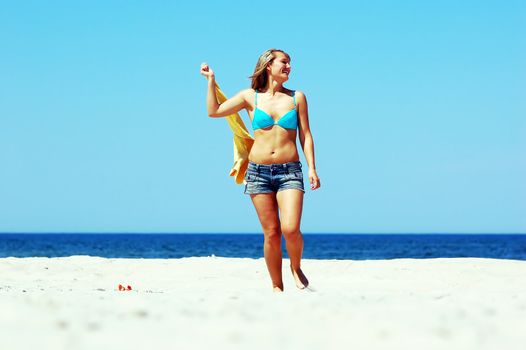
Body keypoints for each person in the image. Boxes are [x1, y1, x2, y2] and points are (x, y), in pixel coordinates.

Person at [200, 49, 320, 292]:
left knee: (290, 228)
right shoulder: (250, 97)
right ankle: (277, 286)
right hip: (259, 173)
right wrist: (211, 81)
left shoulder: (297, 97)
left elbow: (306, 135)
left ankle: (295, 267)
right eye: (284, 62)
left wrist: (312, 168)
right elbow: (214, 112)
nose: (289, 67)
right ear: (268, 65)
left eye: (290, 63)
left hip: (290, 172)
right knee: (272, 233)